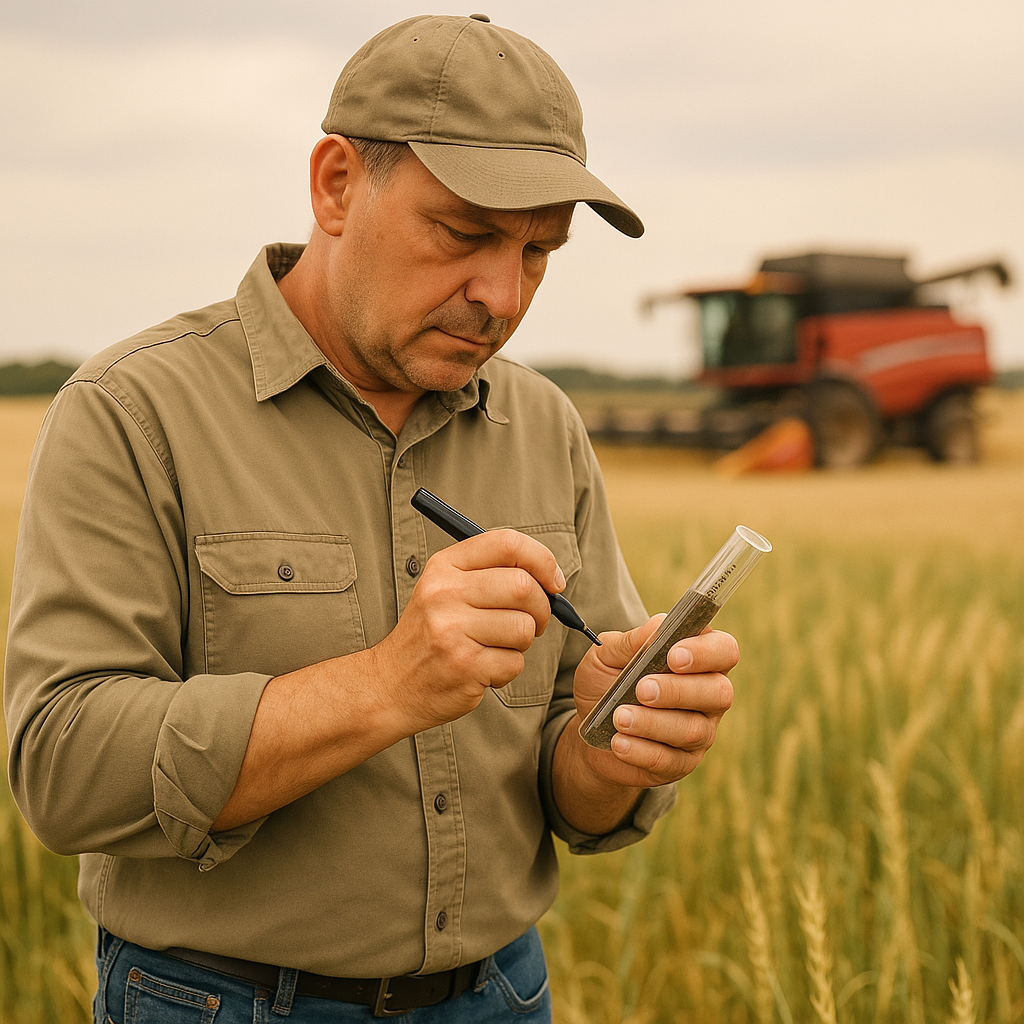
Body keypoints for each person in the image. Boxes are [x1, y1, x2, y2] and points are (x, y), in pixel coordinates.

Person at [4, 13, 738, 1022]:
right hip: (215, 1003)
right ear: (337, 184)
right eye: (466, 233)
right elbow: (63, 768)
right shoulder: (134, 410)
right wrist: (385, 686)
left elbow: (566, 786)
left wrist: (612, 748)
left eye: (537, 251)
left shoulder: (544, 423)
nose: (500, 293)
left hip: (503, 995)